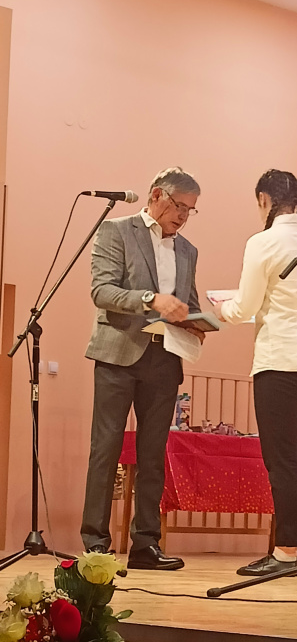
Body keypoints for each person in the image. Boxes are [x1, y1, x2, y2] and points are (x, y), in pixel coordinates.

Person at [214, 169, 297, 576]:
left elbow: (245, 307)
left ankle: (284, 551)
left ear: (264, 200)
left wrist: (221, 309)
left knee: (281, 459)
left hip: (279, 359)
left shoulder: (262, 242)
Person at [81, 166, 204, 571]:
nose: (183, 215)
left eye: (190, 210)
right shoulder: (117, 230)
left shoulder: (188, 251)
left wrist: (197, 322)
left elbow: (187, 301)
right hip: (118, 354)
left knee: (153, 456)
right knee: (106, 450)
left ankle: (146, 545)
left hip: (165, 358)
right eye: (179, 205)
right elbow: (102, 290)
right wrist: (150, 299)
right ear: (156, 195)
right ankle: (96, 546)